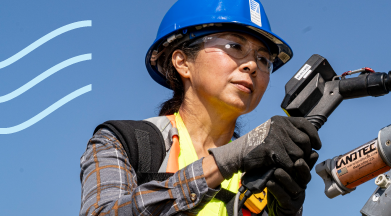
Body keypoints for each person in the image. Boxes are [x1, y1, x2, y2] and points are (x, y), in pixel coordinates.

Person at [79, 0, 321, 215]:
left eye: (263, 59)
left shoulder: (262, 170)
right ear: (183, 63)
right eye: (235, 46)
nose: (252, 65)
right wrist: (229, 159)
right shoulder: (124, 143)